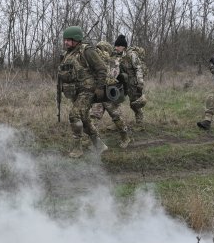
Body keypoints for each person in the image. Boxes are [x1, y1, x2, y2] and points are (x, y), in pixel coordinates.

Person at [57, 26, 108, 158]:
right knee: (84, 119)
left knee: (74, 115)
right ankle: (99, 145)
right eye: (65, 40)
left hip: (87, 90)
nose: (66, 42)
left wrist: (100, 87)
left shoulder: (87, 51)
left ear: (76, 40)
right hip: (75, 92)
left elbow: (102, 68)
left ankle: (77, 148)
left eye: (69, 40)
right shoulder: (67, 54)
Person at [89, 41, 132, 148]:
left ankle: (125, 137)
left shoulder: (114, 61)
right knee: (94, 117)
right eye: (98, 49)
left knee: (117, 117)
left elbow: (112, 75)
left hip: (110, 94)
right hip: (99, 94)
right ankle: (92, 140)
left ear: (106, 50)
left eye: (101, 49)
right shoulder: (96, 61)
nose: (98, 51)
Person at [114, 34, 147, 127]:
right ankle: (119, 124)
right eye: (115, 46)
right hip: (122, 82)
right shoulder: (117, 56)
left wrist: (140, 82)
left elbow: (138, 68)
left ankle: (139, 123)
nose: (116, 48)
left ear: (123, 47)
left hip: (133, 82)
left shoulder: (131, 55)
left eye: (118, 46)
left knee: (135, 103)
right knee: (116, 102)